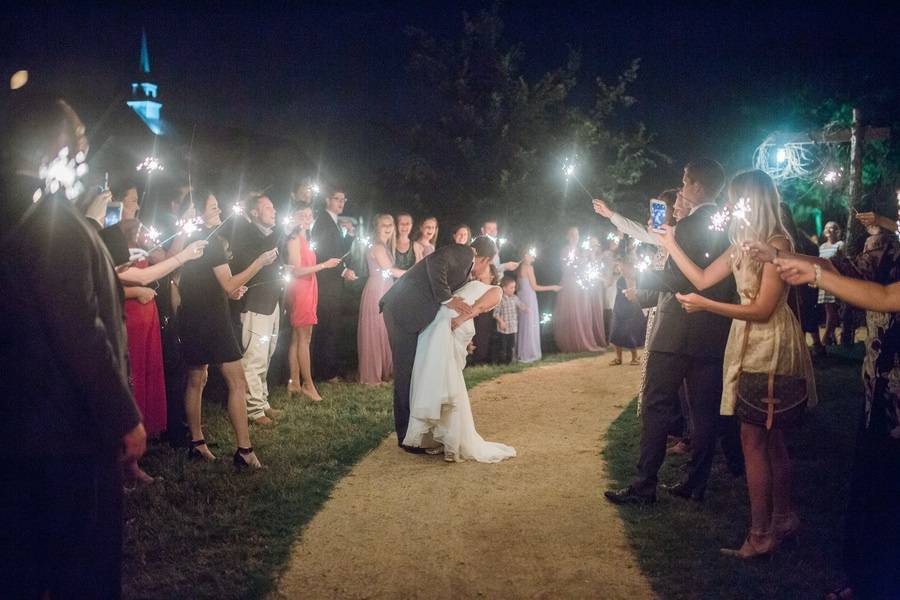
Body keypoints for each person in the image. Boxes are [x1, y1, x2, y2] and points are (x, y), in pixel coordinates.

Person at [0, 93, 145, 598]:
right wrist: (123, 416)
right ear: (58, 144)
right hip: (67, 436)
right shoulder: (51, 219)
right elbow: (81, 327)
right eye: (81, 137)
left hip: (22, 431)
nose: (86, 148)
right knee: (81, 570)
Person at [655, 169, 816, 558]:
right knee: (767, 436)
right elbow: (703, 276)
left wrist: (706, 306)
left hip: (768, 345)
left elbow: (761, 310)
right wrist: (670, 241)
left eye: (735, 198)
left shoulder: (777, 243)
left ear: (753, 200)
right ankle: (784, 517)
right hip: (747, 342)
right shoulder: (741, 242)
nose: (729, 205)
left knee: (755, 437)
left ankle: (762, 533)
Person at [747, 220, 900, 599]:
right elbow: (844, 269)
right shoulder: (891, 248)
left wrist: (814, 274)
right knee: (873, 492)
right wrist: (780, 256)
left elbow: (885, 297)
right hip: (880, 394)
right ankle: (867, 582)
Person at [605, 159, 737, 506]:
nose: (680, 188)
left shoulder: (688, 226)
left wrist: (648, 275)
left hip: (675, 329)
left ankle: (644, 484)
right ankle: (695, 483)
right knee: (704, 410)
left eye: (684, 182)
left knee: (656, 404)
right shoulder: (728, 226)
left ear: (698, 187)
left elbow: (678, 278)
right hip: (713, 330)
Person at [178, 191, 278, 468]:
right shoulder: (210, 243)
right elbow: (229, 283)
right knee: (237, 381)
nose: (220, 209)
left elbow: (202, 281)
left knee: (197, 377)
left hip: (194, 314)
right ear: (199, 212)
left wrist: (228, 292)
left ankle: (197, 443)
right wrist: (259, 262)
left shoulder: (193, 239)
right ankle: (245, 451)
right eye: (213, 207)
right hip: (212, 319)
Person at [380, 236, 497, 451]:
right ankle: (406, 437)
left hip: (410, 313)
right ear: (484, 258)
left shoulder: (465, 270)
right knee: (405, 371)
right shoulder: (464, 253)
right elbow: (435, 263)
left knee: (413, 371)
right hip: (402, 310)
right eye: (488, 263)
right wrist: (447, 299)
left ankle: (413, 434)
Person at [402, 248, 516, 463]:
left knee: (448, 378)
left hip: (451, 327)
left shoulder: (494, 289)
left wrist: (460, 321)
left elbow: (479, 307)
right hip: (437, 324)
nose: (479, 271)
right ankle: (438, 436)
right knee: (432, 374)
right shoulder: (465, 282)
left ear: (491, 271)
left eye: (485, 269)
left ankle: (452, 441)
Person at [230, 193, 284, 426]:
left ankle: (262, 401)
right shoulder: (247, 236)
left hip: (271, 302)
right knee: (254, 357)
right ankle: (253, 409)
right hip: (254, 303)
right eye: (268, 207)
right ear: (254, 212)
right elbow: (246, 267)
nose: (274, 211)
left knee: (267, 354)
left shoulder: (269, 236)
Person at [285, 203, 341, 401]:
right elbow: (296, 269)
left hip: (309, 287)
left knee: (296, 338)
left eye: (309, 215)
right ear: (294, 217)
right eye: (303, 215)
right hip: (301, 289)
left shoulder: (305, 238)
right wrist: (325, 265)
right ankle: (308, 384)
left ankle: (294, 383)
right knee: (304, 338)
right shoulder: (293, 239)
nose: (307, 219)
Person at [310, 188, 357, 380]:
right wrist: (343, 271)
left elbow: (338, 251)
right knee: (327, 327)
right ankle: (325, 372)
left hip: (334, 283)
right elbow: (322, 252)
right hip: (326, 282)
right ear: (327, 200)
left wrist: (350, 235)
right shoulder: (323, 222)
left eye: (343, 199)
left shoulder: (334, 222)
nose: (341, 202)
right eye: (337, 199)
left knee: (333, 326)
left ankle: (329, 369)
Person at [358, 214, 404, 385]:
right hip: (377, 290)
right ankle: (373, 376)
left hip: (385, 288)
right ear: (377, 227)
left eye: (390, 224)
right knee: (376, 331)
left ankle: (384, 372)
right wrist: (412, 273)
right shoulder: (377, 247)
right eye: (384, 225)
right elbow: (389, 270)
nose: (388, 227)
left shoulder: (384, 246)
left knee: (384, 330)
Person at [554, 226, 605, 353]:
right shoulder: (565, 251)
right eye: (572, 234)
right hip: (570, 284)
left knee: (582, 311)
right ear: (567, 236)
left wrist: (589, 256)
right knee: (573, 311)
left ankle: (584, 340)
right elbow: (567, 267)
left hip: (581, 285)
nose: (575, 237)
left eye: (577, 235)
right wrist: (581, 261)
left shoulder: (581, 251)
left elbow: (587, 266)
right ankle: (572, 343)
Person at [515, 246, 561, 363]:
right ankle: (530, 353)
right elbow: (535, 287)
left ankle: (522, 352)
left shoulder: (519, 267)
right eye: (531, 254)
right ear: (525, 256)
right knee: (530, 325)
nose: (533, 257)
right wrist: (553, 287)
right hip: (529, 297)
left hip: (521, 297)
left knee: (523, 325)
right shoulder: (529, 267)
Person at [607, 247, 646, 366]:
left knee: (630, 333)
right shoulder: (619, 277)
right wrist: (612, 272)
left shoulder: (633, 277)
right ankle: (618, 358)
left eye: (622, 265)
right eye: (620, 265)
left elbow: (632, 294)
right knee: (615, 332)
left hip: (631, 308)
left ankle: (635, 357)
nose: (621, 268)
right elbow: (608, 283)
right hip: (619, 307)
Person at [818, 221, 844, 347]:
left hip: (835, 280)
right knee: (828, 309)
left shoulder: (840, 245)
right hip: (824, 280)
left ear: (837, 231)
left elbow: (842, 263)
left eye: (832, 228)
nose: (829, 230)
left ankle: (826, 337)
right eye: (827, 227)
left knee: (832, 310)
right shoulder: (822, 247)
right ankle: (831, 338)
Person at [493, 275, 528, 364]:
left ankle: (509, 361)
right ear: (504, 288)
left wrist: (526, 308)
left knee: (511, 345)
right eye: (511, 287)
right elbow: (495, 313)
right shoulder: (500, 299)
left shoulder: (515, 298)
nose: (513, 289)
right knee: (503, 346)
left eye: (514, 287)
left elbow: (520, 305)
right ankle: (502, 362)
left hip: (513, 327)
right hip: (504, 329)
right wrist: (501, 321)